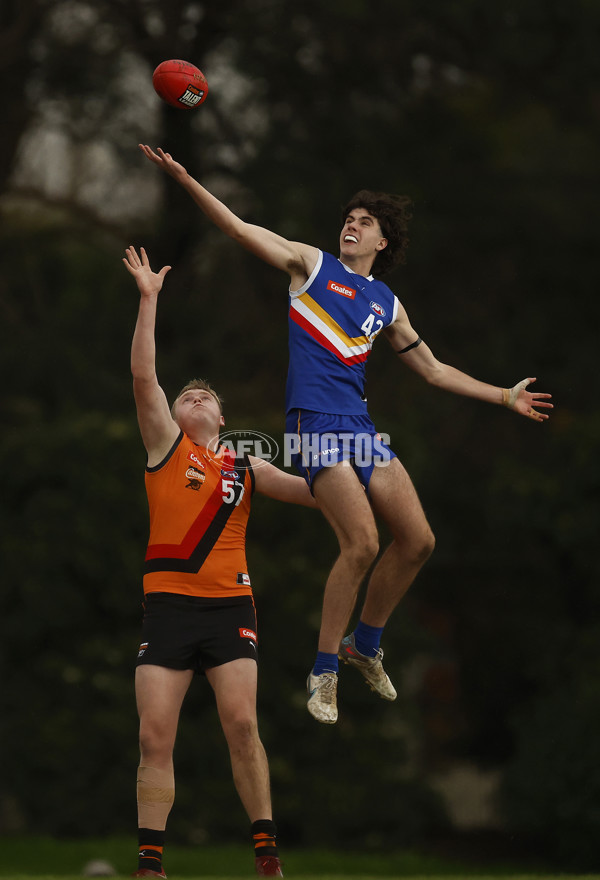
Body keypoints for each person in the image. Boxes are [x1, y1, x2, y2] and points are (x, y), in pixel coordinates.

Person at [139, 146, 553, 726]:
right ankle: (325, 669)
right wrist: (187, 178)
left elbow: (434, 370)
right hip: (312, 425)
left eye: (365, 222)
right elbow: (237, 228)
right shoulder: (311, 267)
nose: (351, 226)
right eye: (348, 219)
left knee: (418, 541)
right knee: (360, 543)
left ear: (382, 242)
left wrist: (504, 396)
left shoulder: (386, 303)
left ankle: (365, 644)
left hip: (359, 428)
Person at [123, 245, 317, 878]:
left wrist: (367, 474)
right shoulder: (165, 447)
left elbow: (315, 492)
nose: (198, 395)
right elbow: (144, 379)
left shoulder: (246, 465)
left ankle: (267, 854)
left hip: (230, 607)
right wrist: (149, 299)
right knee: (154, 736)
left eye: (207, 395)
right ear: (174, 416)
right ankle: (151, 864)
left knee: (241, 724)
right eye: (188, 394)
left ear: (225, 419)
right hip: (169, 610)